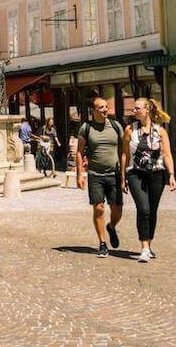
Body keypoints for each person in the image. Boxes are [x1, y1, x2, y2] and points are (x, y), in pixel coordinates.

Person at [121, 97, 176, 263]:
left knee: (152, 210)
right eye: (134, 108)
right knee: (143, 209)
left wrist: (172, 175)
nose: (134, 111)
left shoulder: (160, 131)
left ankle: (149, 244)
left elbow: (167, 154)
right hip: (135, 173)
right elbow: (125, 154)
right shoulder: (129, 130)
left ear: (147, 110)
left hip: (156, 174)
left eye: (137, 108)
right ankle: (144, 247)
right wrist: (122, 177)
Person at [76, 98, 124, 258]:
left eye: (106, 107)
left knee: (117, 209)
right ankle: (102, 244)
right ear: (93, 111)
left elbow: (124, 151)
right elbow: (79, 152)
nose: (104, 109)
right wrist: (80, 174)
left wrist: (125, 174)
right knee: (99, 208)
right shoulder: (86, 128)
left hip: (114, 174)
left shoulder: (116, 126)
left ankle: (112, 226)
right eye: (101, 107)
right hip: (95, 174)